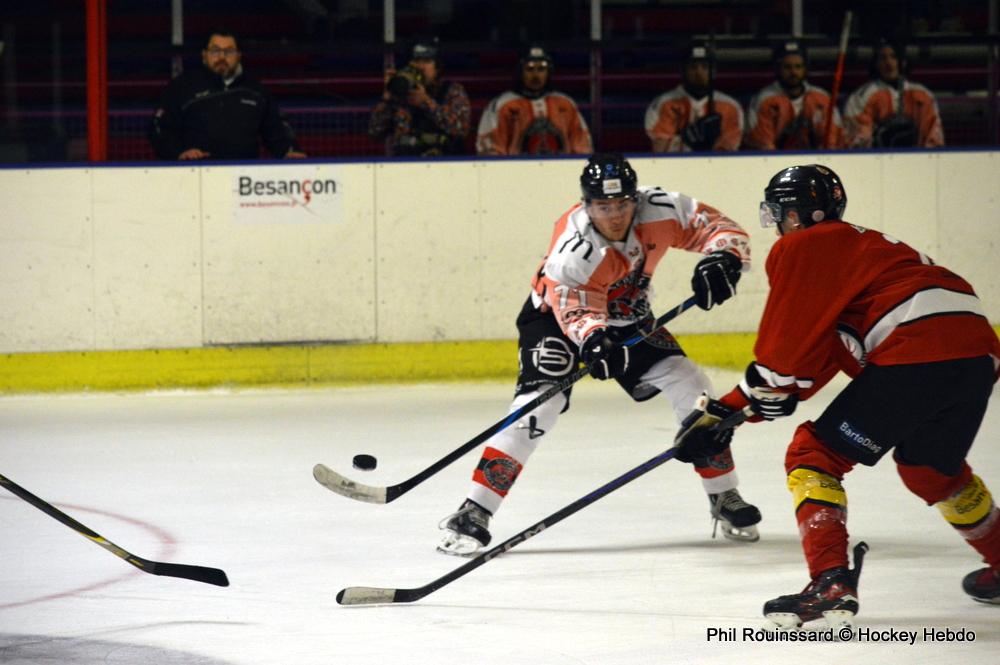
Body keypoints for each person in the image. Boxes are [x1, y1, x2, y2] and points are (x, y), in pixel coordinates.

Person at [674, 164, 1000, 628]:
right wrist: (729, 411)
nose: (777, 225)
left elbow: (783, 361)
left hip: (917, 346)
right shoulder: (869, 250)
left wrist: (737, 407)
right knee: (931, 470)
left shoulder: (803, 245)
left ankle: (830, 584)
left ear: (798, 215)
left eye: (779, 214)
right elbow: (807, 368)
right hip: (977, 354)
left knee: (813, 455)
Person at [437, 153, 761, 557]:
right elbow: (572, 308)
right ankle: (474, 510)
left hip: (628, 317)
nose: (614, 215)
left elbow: (718, 227)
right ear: (586, 205)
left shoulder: (661, 208)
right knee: (538, 407)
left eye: (621, 204)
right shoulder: (574, 248)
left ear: (635, 199)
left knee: (692, 384)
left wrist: (723, 258)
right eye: (603, 207)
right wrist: (593, 340)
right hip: (554, 320)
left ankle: (723, 494)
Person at [149, 29, 306, 160]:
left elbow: (276, 129)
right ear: (204, 55)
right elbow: (160, 129)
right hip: (194, 175)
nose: (222, 57)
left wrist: (289, 150)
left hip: (244, 177)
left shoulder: (256, 90)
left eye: (229, 51)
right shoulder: (182, 87)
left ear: (238, 55)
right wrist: (179, 153)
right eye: (215, 51)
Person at [476, 45, 593, 155]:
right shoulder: (501, 105)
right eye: (529, 68)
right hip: (516, 169)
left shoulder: (565, 103)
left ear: (549, 72)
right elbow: (490, 152)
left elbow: (582, 148)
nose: (535, 75)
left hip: (562, 168)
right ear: (520, 72)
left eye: (541, 69)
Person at [369, 37, 471, 156]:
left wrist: (426, 102)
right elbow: (374, 132)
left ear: (437, 68)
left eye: (427, 61)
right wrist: (387, 97)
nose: (421, 67)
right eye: (416, 61)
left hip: (442, 161)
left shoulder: (452, 90)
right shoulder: (400, 94)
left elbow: (460, 130)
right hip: (404, 162)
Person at [644, 42, 744, 153]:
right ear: (683, 70)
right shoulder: (665, 104)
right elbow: (660, 152)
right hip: (676, 163)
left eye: (705, 67)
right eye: (693, 67)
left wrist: (711, 144)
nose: (699, 73)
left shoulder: (730, 106)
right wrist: (687, 141)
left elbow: (730, 152)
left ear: (713, 71)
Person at [843, 40, 944, 148]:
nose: (888, 63)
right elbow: (857, 141)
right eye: (883, 58)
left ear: (903, 62)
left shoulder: (923, 95)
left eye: (893, 57)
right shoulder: (862, 96)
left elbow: (933, 138)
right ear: (876, 64)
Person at [745, 42, 844, 150]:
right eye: (787, 67)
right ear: (778, 68)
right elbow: (762, 146)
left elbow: (833, 143)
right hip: (777, 158)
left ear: (805, 68)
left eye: (798, 66)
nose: (793, 72)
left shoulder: (821, 98)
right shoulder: (764, 100)